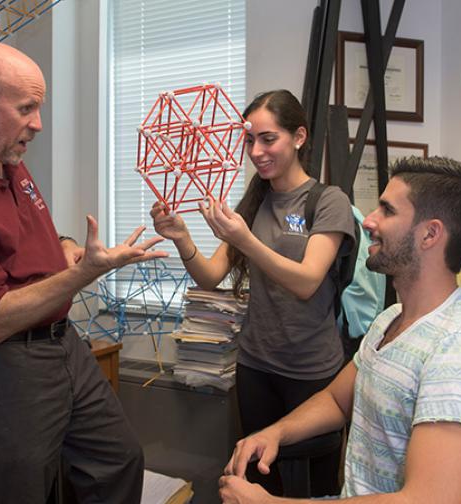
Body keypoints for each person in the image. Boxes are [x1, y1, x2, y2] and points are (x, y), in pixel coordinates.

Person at [0, 42, 166, 504]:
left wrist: (64, 246)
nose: (38, 124)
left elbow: (29, 240)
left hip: (64, 345)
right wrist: (87, 274)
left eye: (38, 108)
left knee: (119, 460)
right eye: (26, 108)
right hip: (6, 366)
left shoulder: (7, 158)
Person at [218, 157, 461, 504]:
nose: (369, 220)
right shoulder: (391, 320)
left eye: (387, 211)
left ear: (430, 234)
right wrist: (275, 433)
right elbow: (335, 400)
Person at [151, 89, 355, 497]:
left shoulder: (328, 200)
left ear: (298, 137)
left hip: (312, 373)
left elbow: (307, 281)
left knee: (311, 488)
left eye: (268, 138)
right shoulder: (254, 201)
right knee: (258, 480)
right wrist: (181, 238)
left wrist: (245, 241)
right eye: (249, 140)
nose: (257, 151)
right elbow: (210, 276)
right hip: (256, 365)